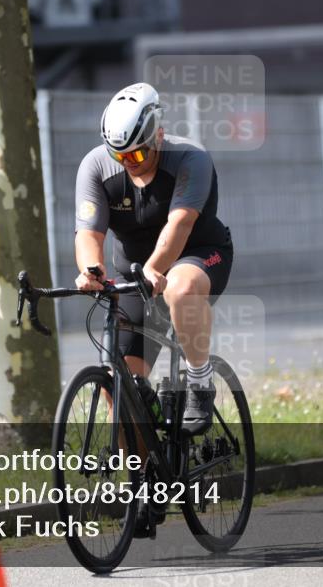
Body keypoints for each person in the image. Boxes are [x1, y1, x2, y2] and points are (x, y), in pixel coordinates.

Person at [73, 82, 234, 535]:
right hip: (134, 271)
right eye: (121, 157)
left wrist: (156, 270)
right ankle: (148, 481)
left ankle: (200, 383)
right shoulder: (96, 167)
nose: (131, 165)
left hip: (198, 254)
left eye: (139, 155)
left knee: (180, 290)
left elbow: (179, 228)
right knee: (119, 386)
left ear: (157, 135)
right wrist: (91, 270)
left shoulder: (191, 160)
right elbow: (89, 234)